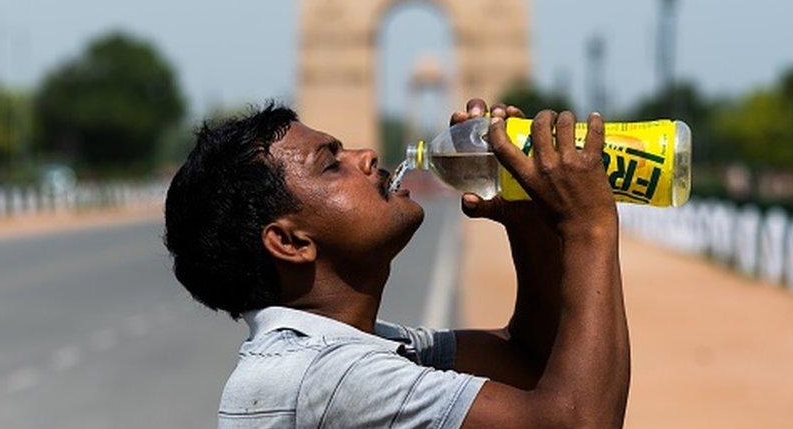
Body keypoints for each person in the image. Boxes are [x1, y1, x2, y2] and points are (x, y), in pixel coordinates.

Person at [164, 98, 630, 428]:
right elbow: (576, 422)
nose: (366, 156)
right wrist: (589, 228)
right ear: (289, 241)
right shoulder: (327, 378)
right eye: (332, 165)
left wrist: (527, 224)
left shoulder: (351, 349)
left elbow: (527, 361)